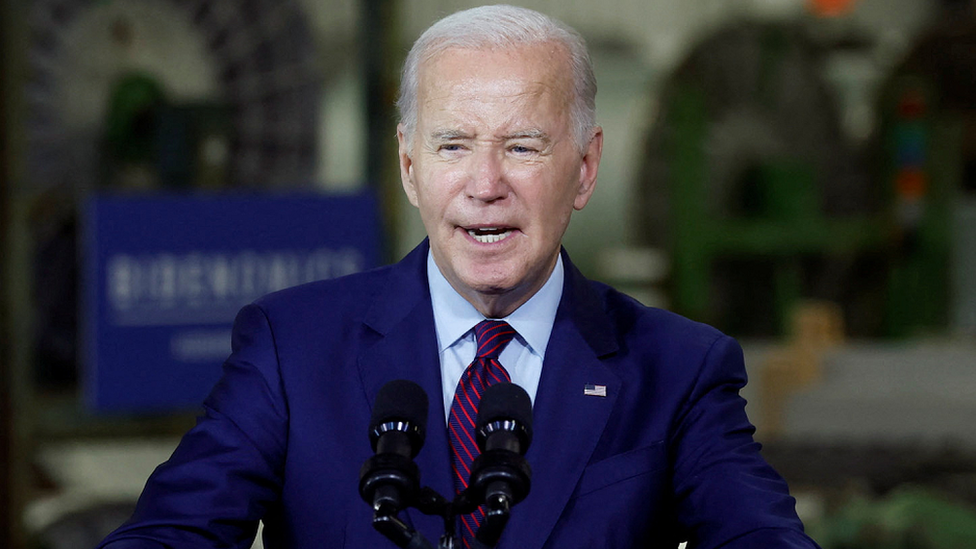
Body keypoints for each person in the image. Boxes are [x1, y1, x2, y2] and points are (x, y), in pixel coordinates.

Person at [97, 5, 820, 549]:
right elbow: (171, 533)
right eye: (453, 146)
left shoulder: (679, 367)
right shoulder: (292, 347)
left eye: (523, 147)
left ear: (586, 169)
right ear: (410, 168)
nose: (485, 184)